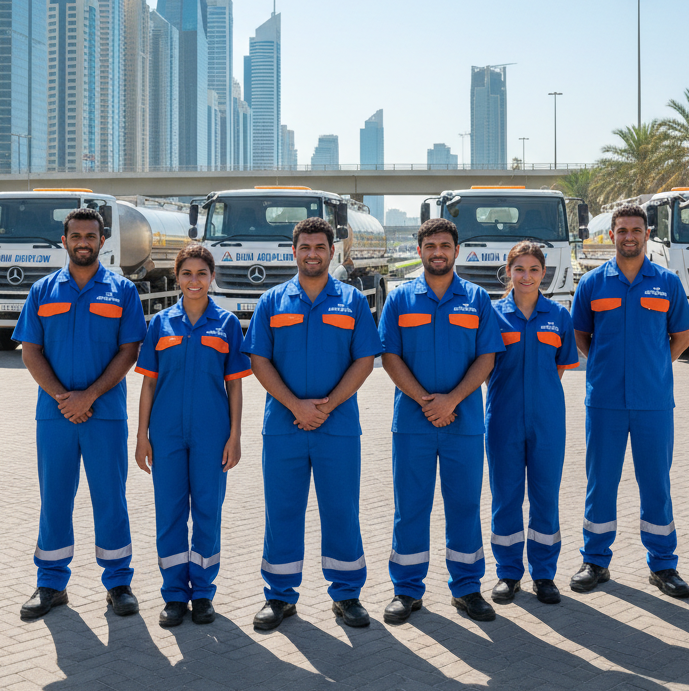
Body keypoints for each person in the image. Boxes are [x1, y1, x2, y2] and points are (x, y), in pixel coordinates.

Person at [244, 217, 383, 631]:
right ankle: (280, 597)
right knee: (283, 511)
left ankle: (346, 595)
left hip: (337, 427)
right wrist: (295, 406)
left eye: (319, 247)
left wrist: (325, 406)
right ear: (294, 252)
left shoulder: (353, 301)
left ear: (331, 251)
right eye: (304, 246)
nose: (312, 253)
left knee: (340, 511)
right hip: (284, 426)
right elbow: (258, 360)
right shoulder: (272, 301)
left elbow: (365, 360)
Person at [13, 207, 147, 621]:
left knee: (111, 499)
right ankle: (51, 585)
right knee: (55, 499)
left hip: (104, 415)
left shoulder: (122, 291)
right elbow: (30, 351)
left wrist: (88, 396)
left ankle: (118, 584)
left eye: (91, 235)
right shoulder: (42, 291)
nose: (84, 242)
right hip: (55, 416)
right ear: (64, 240)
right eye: (76, 236)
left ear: (102, 240)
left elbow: (130, 351)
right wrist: (62, 397)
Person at [378, 218, 505, 624]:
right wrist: (424, 400)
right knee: (410, 507)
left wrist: (452, 400)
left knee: (465, 506)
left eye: (445, 245)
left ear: (456, 250)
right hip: (413, 423)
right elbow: (389, 356)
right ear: (419, 251)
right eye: (430, 245)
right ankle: (407, 590)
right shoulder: (400, 298)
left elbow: (487, 356)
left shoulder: (477, 299)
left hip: (463, 421)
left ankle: (467, 588)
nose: (438, 251)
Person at [570, 203, 689, 598]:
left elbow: (682, 337)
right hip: (604, 401)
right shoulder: (591, 284)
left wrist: (653, 365)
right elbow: (581, 336)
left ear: (646, 234)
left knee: (655, 483)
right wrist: (610, 368)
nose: (628, 236)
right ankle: (595, 561)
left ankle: (663, 566)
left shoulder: (667, 283)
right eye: (621, 230)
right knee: (600, 482)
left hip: (653, 402)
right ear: (611, 236)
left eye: (635, 230)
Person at [134, 244, 250, 627]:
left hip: (211, 434)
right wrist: (141, 435)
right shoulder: (160, 324)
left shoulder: (227, 324)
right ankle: (173, 595)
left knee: (206, 514)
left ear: (211, 277)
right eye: (187, 273)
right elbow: (148, 385)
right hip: (165, 434)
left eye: (202, 273)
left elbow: (234, 387)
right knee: (169, 514)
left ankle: (202, 593)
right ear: (177, 277)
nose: (194, 281)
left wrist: (234, 436)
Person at [487, 242, 579, 605]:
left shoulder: (558, 315)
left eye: (534, 270)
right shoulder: (492, 316)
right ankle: (508, 574)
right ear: (508, 272)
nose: (526, 276)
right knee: (505, 498)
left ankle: (544, 575)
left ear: (544, 273)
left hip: (548, 421)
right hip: (503, 420)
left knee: (545, 498)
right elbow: (485, 368)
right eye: (519, 269)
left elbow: (559, 365)